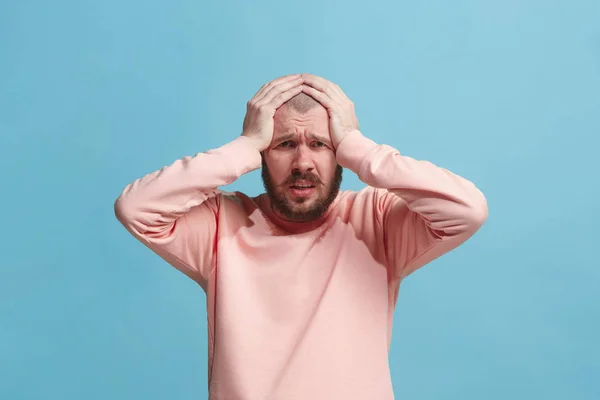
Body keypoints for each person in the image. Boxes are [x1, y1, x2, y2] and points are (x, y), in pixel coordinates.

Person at [114, 73, 488, 399]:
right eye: (285, 144)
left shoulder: (378, 219)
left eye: (320, 144)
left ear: (340, 151)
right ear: (263, 152)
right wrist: (243, 146)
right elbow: (137, 208)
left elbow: (466, 210)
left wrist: (360, 148)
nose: (303, 163)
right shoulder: (219, 223)